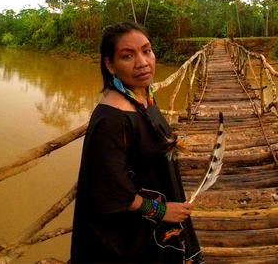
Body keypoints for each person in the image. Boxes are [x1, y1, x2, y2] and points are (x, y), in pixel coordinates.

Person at [71, 21, 203, 263]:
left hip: (160, 218)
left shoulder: (143, 96)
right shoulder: (113, 118)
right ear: (110, 64)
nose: (142, 62)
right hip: (131, 236)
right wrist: (163, 211)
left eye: (147, 50)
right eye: (127, 56)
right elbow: (111, 191)